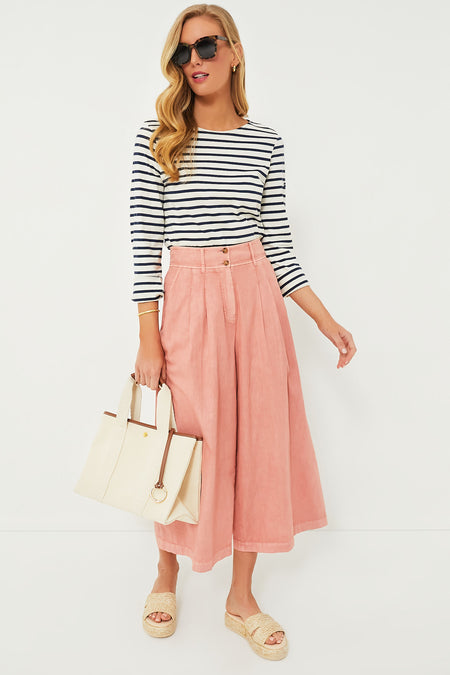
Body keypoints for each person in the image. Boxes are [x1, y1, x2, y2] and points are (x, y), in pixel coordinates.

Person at [130, 3, 356, 660]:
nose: (194, 61)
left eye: (206, 46)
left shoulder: (265, 141)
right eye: (183, 52)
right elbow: (145, 243)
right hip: (190, 297)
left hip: (257, 297)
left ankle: (240, 598)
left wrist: (323, 317)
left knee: (257, 441)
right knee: (184, 442)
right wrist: (148, 338)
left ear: (233, 50)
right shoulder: (159, 136)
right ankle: (166, 572)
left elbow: (277, 244)